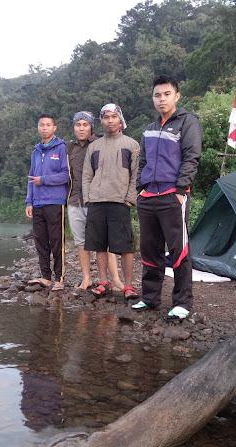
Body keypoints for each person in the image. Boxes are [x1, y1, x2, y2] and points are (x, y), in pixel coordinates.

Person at [131, 75, 203, 320]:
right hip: (148, 196)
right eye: (157, 95)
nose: (162, 99)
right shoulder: (149, 129)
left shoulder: (188, 122)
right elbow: (142, 161)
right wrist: (140, 188)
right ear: (153, 98)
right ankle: (150, 298)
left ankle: (182, 301)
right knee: (149, 250)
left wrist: (181, 190)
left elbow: (191, 157)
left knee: (178, 250)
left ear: (177, 96)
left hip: (173, 195)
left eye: (167, 94)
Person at [82, 104, 140, 300]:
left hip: (120, 202)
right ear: (102, 121)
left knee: (125, 246)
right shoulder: (94, 147)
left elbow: (135, 175)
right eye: (106, 117)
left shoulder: (131, 145)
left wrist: (130, 200)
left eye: (114, 117)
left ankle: (129, 286)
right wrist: (88, 198)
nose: (110, 121)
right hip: (97, 201)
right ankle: (103, 282)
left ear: (120, 119)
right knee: (99, 244)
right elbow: (87, 176)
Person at [66, 111, 125, 291]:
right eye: (78, 125)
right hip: (75, 200)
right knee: (81, 243)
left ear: (92, 126)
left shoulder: (101, 142)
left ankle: (114, 279)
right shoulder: (69, 148)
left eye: (85, 124)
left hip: (98, 200)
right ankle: (86, 279)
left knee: (104, 242)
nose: (81, 128)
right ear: (74, 127)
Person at [25, 114, 70, 291]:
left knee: (56, 240)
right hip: (37, 203)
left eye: (48, 125)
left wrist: (43, 180)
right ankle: (45, 276)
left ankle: (60, 277)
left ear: (54, 128)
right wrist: (29, 201)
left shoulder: (62, 148)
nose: (44, 128)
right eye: (42, 125)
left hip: (55, 201)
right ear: (38, 128)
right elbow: (30, 178)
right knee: (41, 241)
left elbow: (66, 175)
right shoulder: (35, 152)